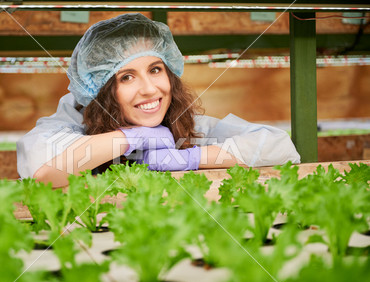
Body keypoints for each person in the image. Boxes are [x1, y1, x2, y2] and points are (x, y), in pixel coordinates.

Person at [17, 13, 300, 187]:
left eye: (155, 70)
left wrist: (190, 157)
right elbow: (42, 170)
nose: (150, 89)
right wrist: (132, 139)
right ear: (101, 90)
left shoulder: (182, 124)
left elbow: (278, 147)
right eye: (126, 77)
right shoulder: (73, 120)